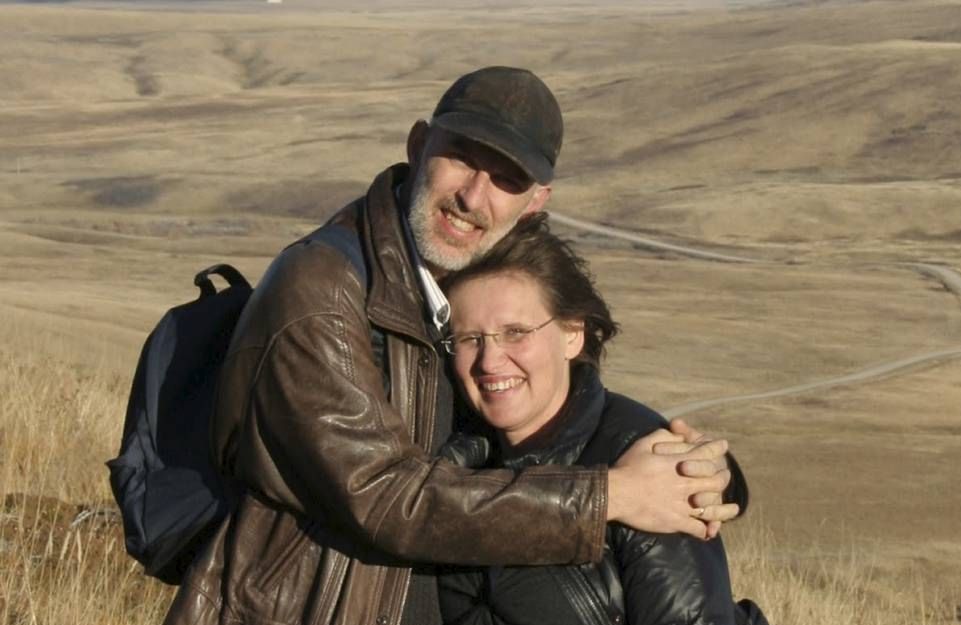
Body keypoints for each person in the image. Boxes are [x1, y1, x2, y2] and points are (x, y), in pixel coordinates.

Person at [164, 66, 740, 625]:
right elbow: (384, 497)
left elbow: (551, 410)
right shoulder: (322, 291)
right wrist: (610, 496)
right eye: (462, 154)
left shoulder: (457, 274)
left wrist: (699, 474)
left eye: (506, 178)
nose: (473, 195)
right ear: (418, 145)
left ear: (535, 201)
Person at [436, 213, 766, 625]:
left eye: (516, 332)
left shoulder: (654, 472)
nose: (490, 360)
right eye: (470, 339)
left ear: (573, 333)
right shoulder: (450, 459)